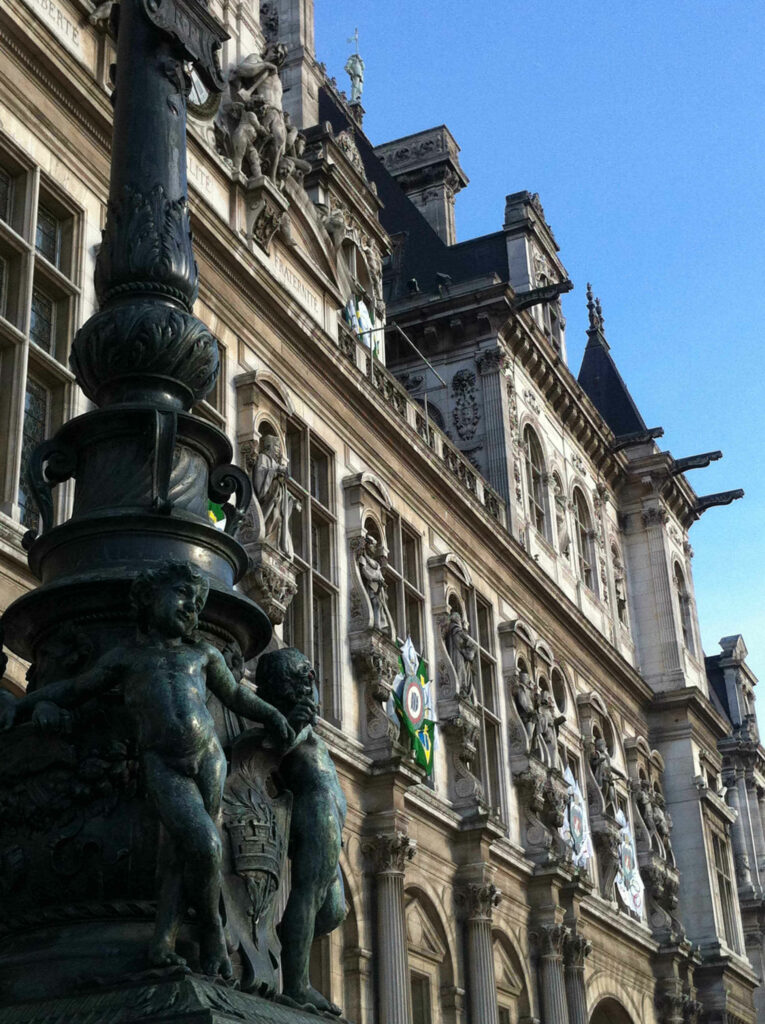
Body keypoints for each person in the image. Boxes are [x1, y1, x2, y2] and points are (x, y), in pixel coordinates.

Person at [0, 560, 293, 978]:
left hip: (209, 757)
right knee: (206, 845)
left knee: (176, 854)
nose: (191, 609)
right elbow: (75, 688)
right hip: (164, 762)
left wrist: (272, 715)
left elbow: (235, 696)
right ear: (148, 598)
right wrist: (27, 704)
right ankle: (213, 931)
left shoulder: (202, 653)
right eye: (181, 597)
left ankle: (162, 941)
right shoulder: (128, 658)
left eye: (197, 604)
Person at [255, 648, 346, 1016]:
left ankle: (281, 944)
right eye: (310, 678)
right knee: (307, 896)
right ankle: (296, 985)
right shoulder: (295, 721)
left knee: (334, 911)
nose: (315, 686)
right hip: (315, 812)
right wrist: (293, 722)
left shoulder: (307, 722)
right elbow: (276, 745)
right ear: (304, 681)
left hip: (330, 819)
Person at [252, 434, 293, 556]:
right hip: (269, 498)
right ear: (269, 446)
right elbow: (259, 473)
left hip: (277, 500)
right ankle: (266, 536)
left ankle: (275, 543)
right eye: (276, 447)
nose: (278, 451)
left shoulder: (274, 462)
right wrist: (275, 471)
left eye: (279, 448)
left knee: (278, 518)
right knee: (272, 517)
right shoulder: (263, 457)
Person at [357, 534, 394, 634]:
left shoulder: (376, 563)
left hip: (379, 588)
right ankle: (377, 625)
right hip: (372, 586)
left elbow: (379, 575)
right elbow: (365, 572)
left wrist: (382, 582)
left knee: (380, 606)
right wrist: (375, 579)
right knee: (376, 604)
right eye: (373, 546)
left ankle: (380, 625)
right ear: (368, 546)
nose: (375, 548)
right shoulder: (363, 559)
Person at [444, 609, 477, 701]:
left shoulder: (454, 630)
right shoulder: (456, 630)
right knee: (461, 674)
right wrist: (471, 651)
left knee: (463, 674)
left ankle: (463, 690)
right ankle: (462, 690)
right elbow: (464, 644)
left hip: (459, 656)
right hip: (458, 657)